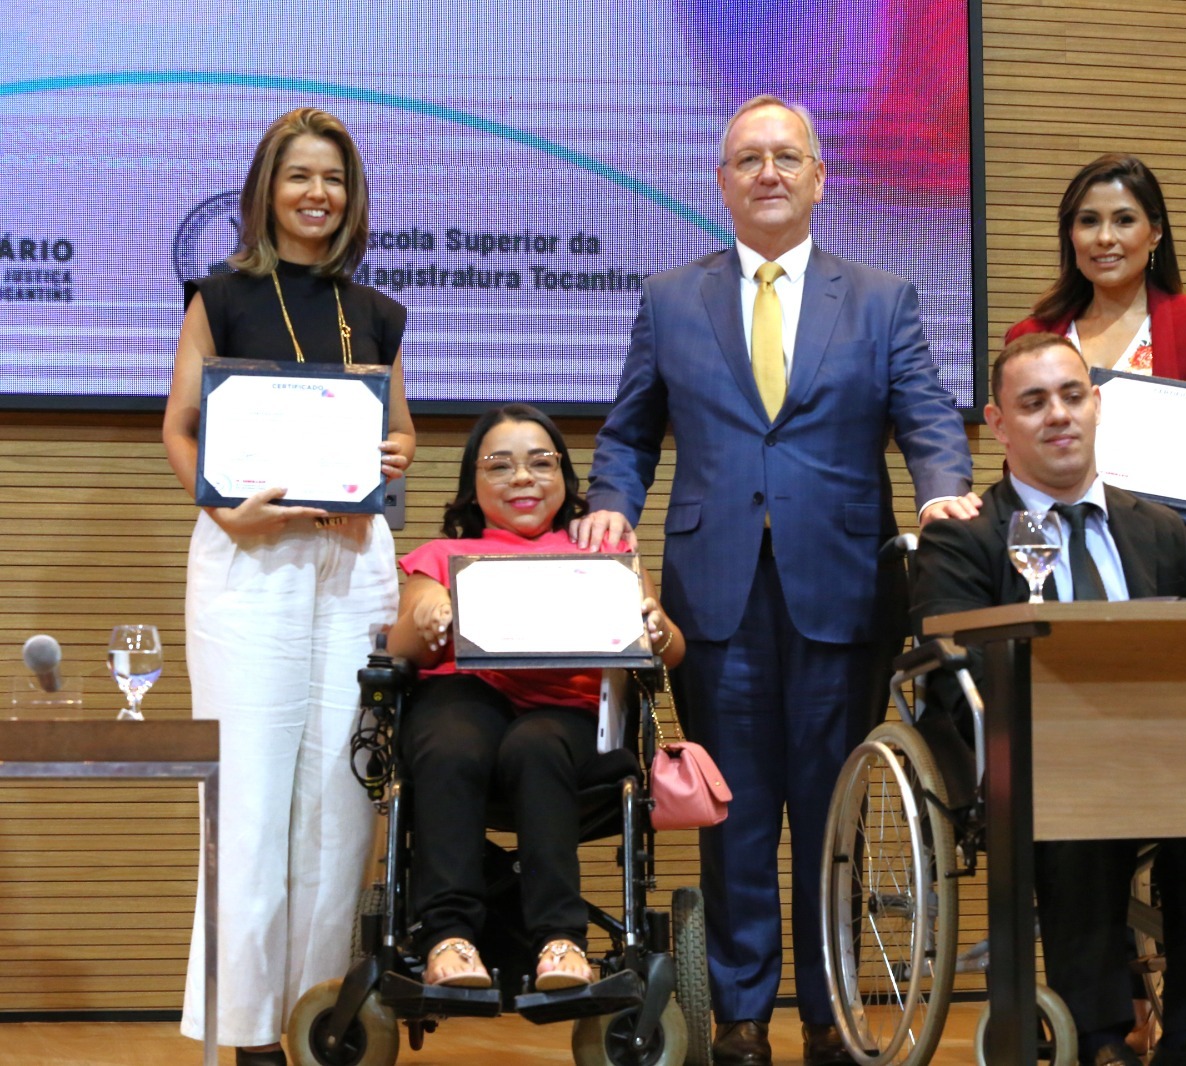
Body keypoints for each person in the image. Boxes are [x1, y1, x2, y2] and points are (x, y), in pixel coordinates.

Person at [574, 94, 978, 1066]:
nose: (768, 172)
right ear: (721, 182)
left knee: (836, 809)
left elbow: (926, 415)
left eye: (786, 156)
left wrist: (942, 491)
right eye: (748, 158)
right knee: (735, 813)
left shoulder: (880, 298)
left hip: (844, 588)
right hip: (714, 595)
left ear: (818, 178)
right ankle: (744, 1016)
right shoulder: (670, 298)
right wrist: (611, 505)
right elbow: (629, 433)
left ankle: (831, 1015)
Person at [913, 332, 1186, 1066]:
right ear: (999, 424)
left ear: (1098, 405)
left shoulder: (1157, 528)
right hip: (1033, 750)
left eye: (1072, 396)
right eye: (1034, 403)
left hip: (1162, 748)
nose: (1059, 415)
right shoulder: (965, 536)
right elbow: (951, 671)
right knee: (1070, 782)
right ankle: (1098, 1035)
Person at [161, 107, 415, 1065]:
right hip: (250, 559)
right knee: (252, 800)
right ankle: (245, 1029)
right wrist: (226, 511)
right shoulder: (222, 297)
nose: (318, 194)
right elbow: (180, 428)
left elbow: (400, 433)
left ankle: (317, 1020)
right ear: (266, 189)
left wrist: (393, 455)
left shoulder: (375, 312)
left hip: (353, 562)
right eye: (300, 175)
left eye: (334, 179)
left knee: (340, 806)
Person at [385, 403, 685, 991]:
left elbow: (671, 651)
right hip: (463, 702)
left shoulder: (604, 552)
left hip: (568, 719)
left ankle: (560, 940)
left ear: (565, 478)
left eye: (540, 463)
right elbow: (400, 647)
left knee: (536, 745)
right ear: (473, 483)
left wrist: (654, 628)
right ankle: (448, 937)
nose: (522, 477)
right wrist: (427, 616)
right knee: (452, 742)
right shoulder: (443, 557)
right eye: (499, 465)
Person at [1006, 152, 1186, 599]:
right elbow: (1017, 458)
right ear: (1071, 235)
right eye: (1089, 221)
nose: (1105, 238)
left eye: (1124, 220)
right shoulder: (1030, 336)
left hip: (1183, 555)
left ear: (1155, 232)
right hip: (1062, 557)